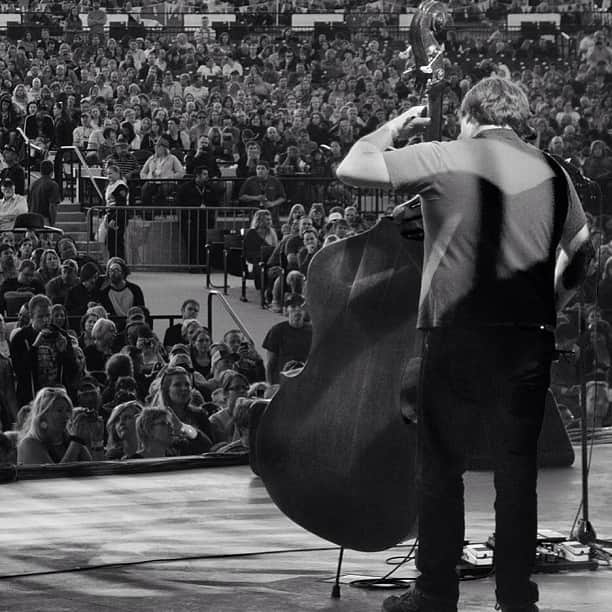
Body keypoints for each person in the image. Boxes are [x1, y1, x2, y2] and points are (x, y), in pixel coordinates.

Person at [337, 76, 592, 612]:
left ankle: (434, 596)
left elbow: (353, 166)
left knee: (442, 467)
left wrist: (391, 128)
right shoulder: (551, 169)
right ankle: (517, 598)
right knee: (517, 474)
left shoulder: (448, 154)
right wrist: (550, 303)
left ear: (469, 116)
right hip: (527, 339)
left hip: (457, 333)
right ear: (517, 119)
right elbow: (583, 250)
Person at [10, 294, 80, 406]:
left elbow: (73, 371)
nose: (45, 320)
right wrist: (34, 346)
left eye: (48, 315)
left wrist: (64, 352)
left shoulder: (61, 335)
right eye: (40, 316)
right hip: (32, 398)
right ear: (31, 317)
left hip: (58, 397)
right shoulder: (20, 338)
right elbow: (20, 372)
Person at [17, 387, 93, 465]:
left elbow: (97, 470)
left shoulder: (69, 441)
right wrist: (76, 441)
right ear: (43, 415)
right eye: (59, 410)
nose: (66, 416)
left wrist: (97, 440)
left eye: (67, 410)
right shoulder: (29, 444)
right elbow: (55, 475)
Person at [262, 294, 312, 384]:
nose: (297, 310)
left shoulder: (312, 331)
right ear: (286, 310)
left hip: (306, 380)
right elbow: (270, 364)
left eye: (301, 306)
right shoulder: (276, 331)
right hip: (283, 382)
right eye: (293, 306)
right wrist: (270, 385)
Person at [176, 166, 219, 268]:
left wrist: (208, 209)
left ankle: (204, 265)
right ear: (197, 176)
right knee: (191, 243)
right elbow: (179, 202)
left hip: (206, 220)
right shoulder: (185, 187)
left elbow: (216, 203)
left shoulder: (209, 188)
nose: (207, 177)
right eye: (204, 174)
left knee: (204, 243)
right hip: (190, 220)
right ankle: (193, 266)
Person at [238, 161, 286, 227]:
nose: (260, 171)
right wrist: (255, 198)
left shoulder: (275, 181)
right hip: (254, 212)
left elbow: (283, 197)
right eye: (258, 169)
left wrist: (272, 203)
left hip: (272, 213)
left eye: (262, 168)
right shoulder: (249, 181)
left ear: (268, 170)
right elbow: (241, 196)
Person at [103, 164, 129, 259]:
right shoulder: (110, 186)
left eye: (111, 173)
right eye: (107, 174)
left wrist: (115, 219)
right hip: (111, 215)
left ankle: (120, 263)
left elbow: (121, 204)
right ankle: (113, 262)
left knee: (117, 242)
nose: (109, 176)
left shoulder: (120, 186)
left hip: (119, 216)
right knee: (111, 242)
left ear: (117, 173)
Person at [27, 160, 61, 226]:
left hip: (32, 218)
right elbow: (52, 206)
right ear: (52, 172)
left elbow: (29, 203)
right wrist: (52, 222)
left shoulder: (33, 184)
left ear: (40, 171)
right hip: (44, 219)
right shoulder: (53, 185)